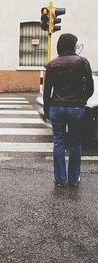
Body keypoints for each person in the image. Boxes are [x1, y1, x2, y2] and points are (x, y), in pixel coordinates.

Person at [43, 33, 94, 187]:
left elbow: (47, 91)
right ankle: (74, 179)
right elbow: (90, 87)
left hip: (57, 108)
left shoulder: (52, 64)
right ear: (72, 45)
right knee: (75, 143)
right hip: (76, 108)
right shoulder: (82, 62)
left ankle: (59, 179)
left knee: (58, 142)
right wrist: (82, 99)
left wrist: (47, 110)